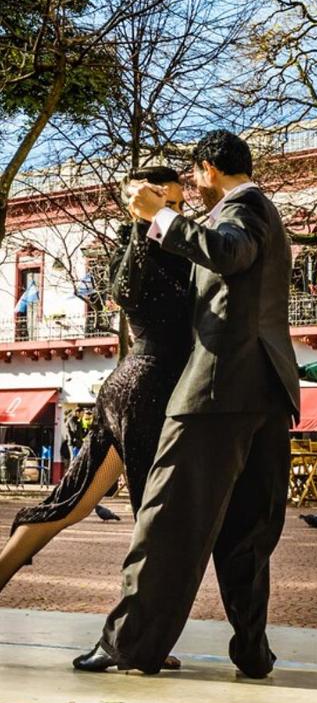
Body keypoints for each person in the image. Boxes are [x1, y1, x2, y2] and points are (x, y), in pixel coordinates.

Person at [73, 130, 300, 679]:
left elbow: (227, 253)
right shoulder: (268, 214)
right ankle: (252, 649)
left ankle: (128, 645)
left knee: (166, 519)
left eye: (195, 179)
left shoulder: (239, 211)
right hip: (268, 392)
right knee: (249, 530)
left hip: (216, 392)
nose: (194, 190)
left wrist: (161, 217)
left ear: (207, 170)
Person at [0, 166, 192, 595]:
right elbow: (127, 294)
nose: (179, 212)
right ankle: (139, 633)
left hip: (133, 387)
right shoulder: (142, 247)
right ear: (146, 202)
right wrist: (147, 224)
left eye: (181, 203)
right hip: (148, 389)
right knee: (152, 514)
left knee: (75, 503)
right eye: (170, 202)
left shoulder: (181, 245)